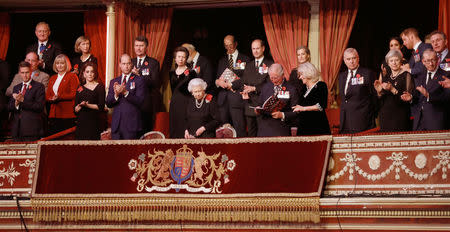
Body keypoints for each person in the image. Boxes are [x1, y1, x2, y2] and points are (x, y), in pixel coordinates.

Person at [232, 39, 274, 137]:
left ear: (263, 49)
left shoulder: (270, 64)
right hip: (249, 104)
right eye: (253, 49)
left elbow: (270, 84)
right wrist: (244, 92)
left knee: (263, 134)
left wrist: (254, 88)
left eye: (257, 48)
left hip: (263, 104)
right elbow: (243, 82)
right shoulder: (249, 65)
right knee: (251, 134)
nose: (255, 51)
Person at [401, 49, 449, 131]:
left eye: (433, 60)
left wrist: (429, 96)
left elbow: (447, 98)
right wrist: (411, 97)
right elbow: (418, 94)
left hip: (436, 121)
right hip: (419, 120)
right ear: (423, 61)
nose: (431, 64)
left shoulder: (445, 75)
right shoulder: (420, 75)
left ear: (437, 60)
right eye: (427, 61)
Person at [215, 35, 250, 137]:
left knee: (240, 130)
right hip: (223, 100)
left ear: (235, 44)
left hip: (237, 99)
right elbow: (218, 78)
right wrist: (217, 82)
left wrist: (232, 85)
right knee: (223, 132)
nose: (229, 48)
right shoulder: (222, 60)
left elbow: (246, 79)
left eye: (230, 45)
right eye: (226, 46)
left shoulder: (245, 59)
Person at [106, 54, 146, 139]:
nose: (126, 66)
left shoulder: (139, 80)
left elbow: (140, 102)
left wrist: (125, 92)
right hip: (116, 126)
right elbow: (108, 103)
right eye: (124, 64)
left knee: (131, 152)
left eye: (128, 63)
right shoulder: (114, 81)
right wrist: (116, 95)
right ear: (120, 65)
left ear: (131, 64)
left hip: (131, 126)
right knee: (116, 152)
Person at [338, 48, 377, 134]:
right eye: (348, 59)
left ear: (358, 58)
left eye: (353, 58)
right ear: (344, 61)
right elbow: (344, 99)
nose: (351, 61)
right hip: (345, 120)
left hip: (363, 120)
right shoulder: (341, 76)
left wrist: (371, 115)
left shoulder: (367, 73)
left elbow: (374, 97)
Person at [374, 49, 414, 132]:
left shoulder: (406, 75)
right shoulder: (386, 77)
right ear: (388, 63)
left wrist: (392, 89)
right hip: (385, 115)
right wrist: (379, 92)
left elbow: (407, 98)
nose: (394, 63)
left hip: (400, 115)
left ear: (401, 61)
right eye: (391, 61)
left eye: (396, 60)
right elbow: (381, 99)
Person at [254, 63, 298, 137]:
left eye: (276, 78)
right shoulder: (266, 87)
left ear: (283, 75)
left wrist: (282, 115)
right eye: (271, 78)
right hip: (264, 129)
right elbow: (260, 104)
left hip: (281, 129)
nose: (273, 80)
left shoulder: (291, 89)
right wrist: (257, 109)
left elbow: (296, 112)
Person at [131, 35, 162, 134]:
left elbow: (155, 82)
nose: (138, 48)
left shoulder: (153, 63)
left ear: (146, 47)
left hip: (147, 102)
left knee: (145, 131)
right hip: (132, 102)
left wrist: (139, 75)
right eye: (136, 45)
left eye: (141, 45)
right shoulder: (130, 62)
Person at [8, 61, 45, 141]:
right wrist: (16, 103)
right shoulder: (16, 87)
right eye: (22, 73)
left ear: (31, 72)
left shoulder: (39, 87)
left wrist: (23, 100)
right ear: (19, 73)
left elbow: (39, 107)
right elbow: (9, 107)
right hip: (16, 130)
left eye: (27, 72)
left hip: (31, 130)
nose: (25, 75)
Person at [292, 62, 330, 135]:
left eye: (301, 75)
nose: (300, 77)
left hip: (317, 127)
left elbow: (321, 106)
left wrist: (303, 108)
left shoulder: (321, 85)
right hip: (304, 128)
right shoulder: (304, 89)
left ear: (308, 73)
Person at [46, 54, 79, 135]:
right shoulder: (52, 78)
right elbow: (47, 95)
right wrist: (51, 98)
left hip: (67, 114)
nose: (59, 65)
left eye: (62, 63)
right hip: (54, 114)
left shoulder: (72, 76)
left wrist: (59, 97)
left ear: (66, 64)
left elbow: (74, 94)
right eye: (57, 63)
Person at [169, 46, 196, 138]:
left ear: (186, 58)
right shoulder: (171, 73)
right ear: (175, 58)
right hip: (174, 103)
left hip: (186, 103)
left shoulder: (191, 73)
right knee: (174, 127)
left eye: (183, 57)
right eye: (179, 57)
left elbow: (194, 91)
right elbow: (173, 90)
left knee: (184, 128)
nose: (181, 59)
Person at [74, 62, 105, 140]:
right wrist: (77, 108)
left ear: (95, 73)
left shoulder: (100, 87)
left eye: (92, 71)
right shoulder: (80, 88)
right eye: (87, 72)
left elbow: (101, 107)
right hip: (81, 123)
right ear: (84, 74)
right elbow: (75, 108)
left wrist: (87, 105)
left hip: (94, 123)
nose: (90, 74)